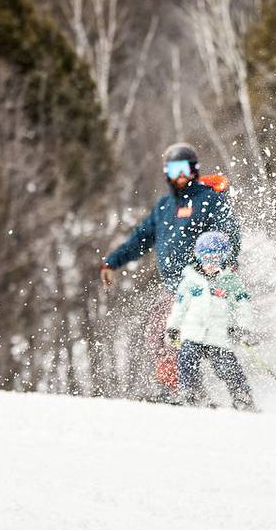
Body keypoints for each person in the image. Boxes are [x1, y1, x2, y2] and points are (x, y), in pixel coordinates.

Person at [100, 142, 240, 399]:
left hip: (202, 285)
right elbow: (140, 239)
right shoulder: (164, 207)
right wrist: (112, 262)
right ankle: (181, 390)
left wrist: (225, 262)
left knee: (206, 339)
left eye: (184, 169)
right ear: (166, 172)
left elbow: (229, 232)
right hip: (174, 287)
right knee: (160, 332)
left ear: (194, 170)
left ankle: (231, 392)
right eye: (174, 170)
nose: (179, 176)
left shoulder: (208, 199)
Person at [165, 231, 257, 410]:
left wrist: (243, 328)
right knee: (187, 358)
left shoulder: (230, 281)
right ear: (198, 258)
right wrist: (173, 327)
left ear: (224, 258)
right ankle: (192, 393)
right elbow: (179, 307)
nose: (211, 263)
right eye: (206, 258)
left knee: (227, 365)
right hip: (193, 333)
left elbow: (243, 306)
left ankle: (242, 396)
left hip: (218, 334)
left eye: (216, 258)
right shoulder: (190, 281)